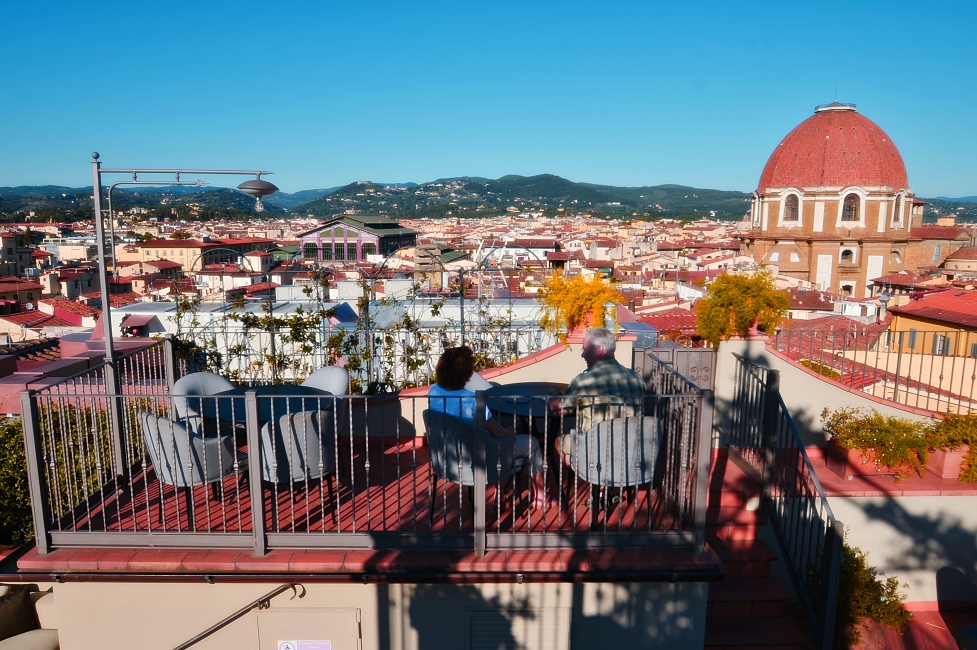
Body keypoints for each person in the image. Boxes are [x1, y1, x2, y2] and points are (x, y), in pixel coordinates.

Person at [428, 346, 551, 507]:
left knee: (505, 438)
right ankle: (539, 497)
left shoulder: (434, 391)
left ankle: (500, 496)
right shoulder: (473, 400)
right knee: (531, 443)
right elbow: (498, 433)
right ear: (466, 373)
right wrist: (510, 432)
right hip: (478, 459)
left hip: (446, 459)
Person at [550, 327, 646, 459]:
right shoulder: (637, 379)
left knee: (558, 441)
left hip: (594, 450)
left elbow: (559, 411)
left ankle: (580, 472)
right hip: (629, 450)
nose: (582, 355)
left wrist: (553, 393)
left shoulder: (584, 381)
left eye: (585, 350)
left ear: (599, 350)